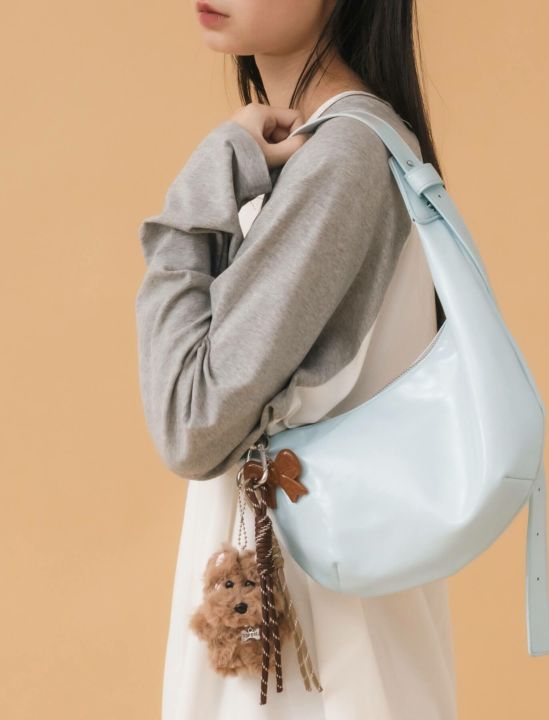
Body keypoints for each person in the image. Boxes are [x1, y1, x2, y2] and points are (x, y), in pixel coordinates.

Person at [134, 0, 457, 717]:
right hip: (313, 627)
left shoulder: (343, 157)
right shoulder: (340, 147)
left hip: (312, 659)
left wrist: (203, 189)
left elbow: (190, 423)